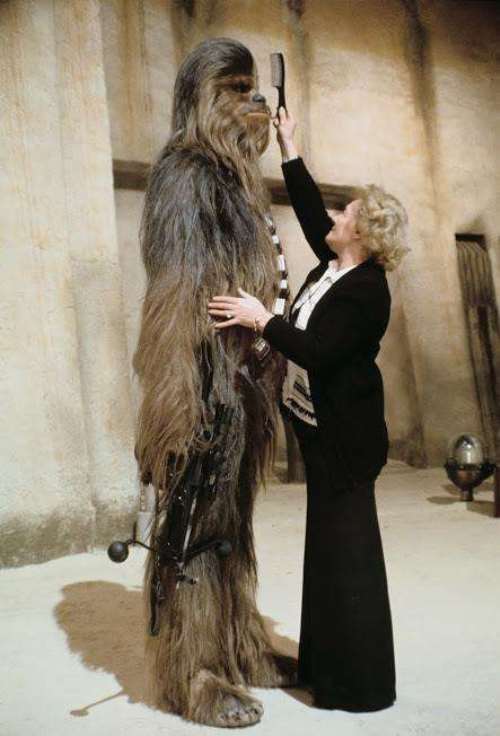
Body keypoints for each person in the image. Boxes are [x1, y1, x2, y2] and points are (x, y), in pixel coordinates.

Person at [208, 107, 409, 712]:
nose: (336, 216)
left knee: (350, 559)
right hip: (321, 434)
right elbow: (306, 206)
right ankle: (324, 667)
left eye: (347, 215)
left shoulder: (367, 291)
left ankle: (361, 687)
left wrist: (261, 318)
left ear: (364, 235)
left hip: (347, 444)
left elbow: (319, 352)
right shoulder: (333, 266)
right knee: (325, 552)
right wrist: (288, 145)